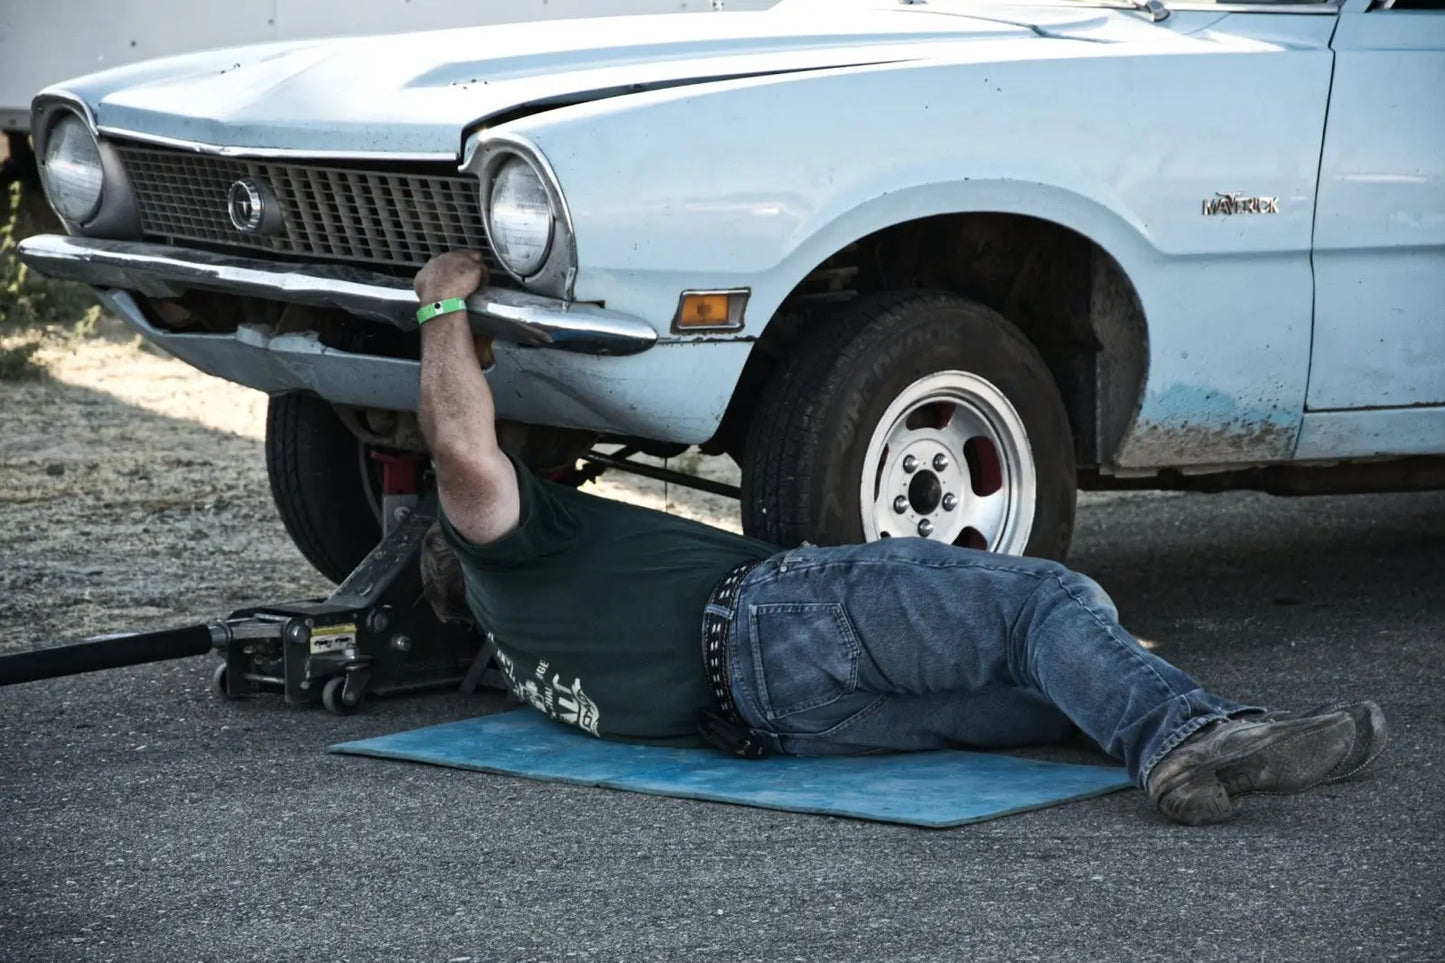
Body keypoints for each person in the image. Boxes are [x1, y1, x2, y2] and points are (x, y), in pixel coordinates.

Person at [413, 251, 1386, 826]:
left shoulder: (529, 661)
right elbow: (460, 448)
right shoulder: (504, 557)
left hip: (788, 726)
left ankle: (1200, 743)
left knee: (1055, 693)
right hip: (779, 620)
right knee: (1042, 603)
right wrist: (443, 304)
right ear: (463, 553)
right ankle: (1190, 740)